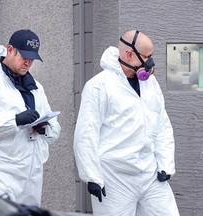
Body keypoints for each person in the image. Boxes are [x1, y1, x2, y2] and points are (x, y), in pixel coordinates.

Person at [73, 30, 180, 215]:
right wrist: (92, 176)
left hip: (150, 174)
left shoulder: (151, 84)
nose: (150, 63)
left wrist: (166, 164)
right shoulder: (99, 86)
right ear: (129, 54)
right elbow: (86, 133)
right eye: (146, 57)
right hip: (115, 178)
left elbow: (162, 124)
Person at [0, 29, 61, 206]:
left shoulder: (35, 87)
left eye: (32, 58)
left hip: (30, 178)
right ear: (9, 50)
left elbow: (53, 126)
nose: (28, 62)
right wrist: (14, 120)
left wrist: (46, 128)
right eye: (24, 56)